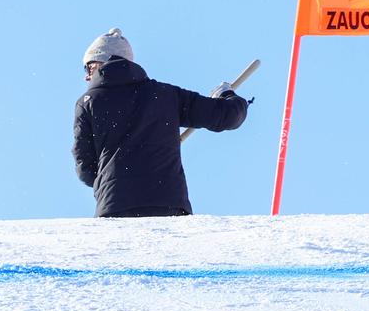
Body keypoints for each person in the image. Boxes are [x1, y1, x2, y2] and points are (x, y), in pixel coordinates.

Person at [72, 29, 249, 218]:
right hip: (169, 204)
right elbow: (227, 116)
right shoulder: (165, 95)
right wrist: (226, 96)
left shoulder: (88, 102)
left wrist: (110, 180)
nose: (86, 76)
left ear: (100, 63)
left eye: (88, 68)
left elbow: (85, 168)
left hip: (115, 206)